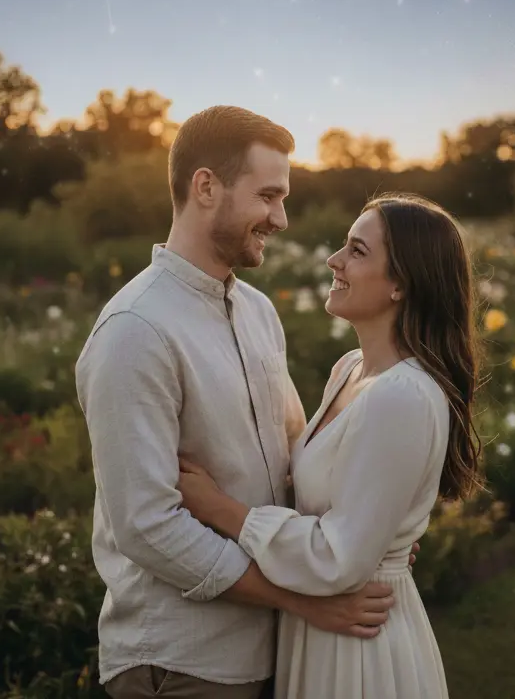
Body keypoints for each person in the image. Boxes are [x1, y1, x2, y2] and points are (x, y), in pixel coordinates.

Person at [75, 105, 416, 699]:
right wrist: (301, 598)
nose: (280, 218)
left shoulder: (258, 312)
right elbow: (147, 527)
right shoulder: (136, 331)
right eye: (268, 196)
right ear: (205, 186)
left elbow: (290, 463)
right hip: (183, 663)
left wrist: (366, 535)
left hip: (274, 648)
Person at [176, 193, 485, 699]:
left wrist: (220, 509)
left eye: (357, 252)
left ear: (401, 285)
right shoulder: (350, 371)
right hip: (324, 627)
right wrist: (376, 535)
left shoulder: (402, 396)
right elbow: (347, 515)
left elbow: (339, 559)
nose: (334, 261)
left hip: (359, 645)